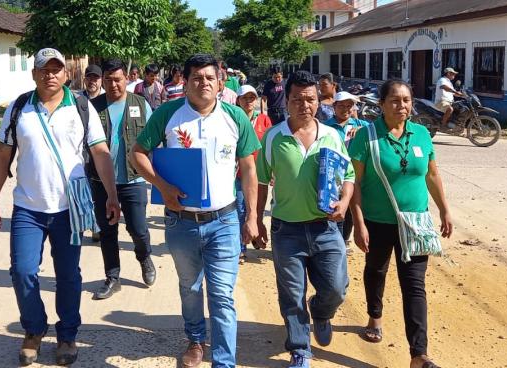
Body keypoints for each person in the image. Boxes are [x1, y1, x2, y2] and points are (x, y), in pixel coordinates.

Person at [0, 48, 121, 366]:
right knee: (22, 270)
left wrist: (112, 194)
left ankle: (67, 335)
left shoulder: (82, 106)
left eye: (57, 69)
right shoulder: (19, 108)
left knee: (68, 275)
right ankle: (34, 329)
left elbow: (100, 153)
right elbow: (3, 154)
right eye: (44, 69)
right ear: (34, 74)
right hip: (28, 207)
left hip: (70, 206)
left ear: (66, 74)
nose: (51, 74)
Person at [130, 53, 261, 368]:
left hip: (225, 220)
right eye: (197, 78)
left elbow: (249, 170)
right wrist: (162, 186)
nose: (204, 83)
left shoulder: (236, 117)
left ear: (220, 83)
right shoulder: (167, 114)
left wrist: (253, 216)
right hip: (181, 222)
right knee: (190, 288)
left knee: (222, 297)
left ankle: (223, 362)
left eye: (210, 78)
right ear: (185, 82)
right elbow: (138, 154)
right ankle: (195, 340)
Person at [348, 79, 453, 368]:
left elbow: (432, 175)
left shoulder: (421, 134)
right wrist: (359, 222)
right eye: (394, 100)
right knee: (376, 270)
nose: (402, 105)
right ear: (381, 104)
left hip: (417, 223)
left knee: (414, 286)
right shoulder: (367, 137)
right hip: (378, 221)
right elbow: (354, 182)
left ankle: (418, 355)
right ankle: (375, 315)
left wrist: (444, 210)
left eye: (406, 100)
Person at [255, 70, 353, 368]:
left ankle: (322, 313)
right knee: (292, 294)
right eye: (297, 99)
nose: (304, 105)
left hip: (326, 227)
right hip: (287, 230)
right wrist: (256, 220)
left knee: (336, 288)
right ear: (286, 100)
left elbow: (348, 175)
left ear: (318, 100)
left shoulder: (332, 136)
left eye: (310, 99)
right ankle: (300, 349)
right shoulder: (274, 137)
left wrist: (345, 202)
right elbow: (261, 182)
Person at [87, 59, 156, 300]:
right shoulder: (91, 107)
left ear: (126, 79)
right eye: (108, 80)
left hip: (133, 180)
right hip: (101, 182)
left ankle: (145, 257)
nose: (113, 84)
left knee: (138, 228)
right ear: (102, 81)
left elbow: (154, 139)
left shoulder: (141, 103)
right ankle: (112, 277)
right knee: (107, 231)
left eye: (118, 79)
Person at [322, 91, 370, 244]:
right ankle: (335, 240)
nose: (346, 109)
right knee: (334, 207)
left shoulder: (362, 126)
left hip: (354, 176)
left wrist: (362, 131)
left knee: (351, 209)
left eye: (350, 106)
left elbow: (379, 128)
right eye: (342, 105)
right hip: (334, 176)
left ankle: (344, 239)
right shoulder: (325, 127)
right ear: (334, 107)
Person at [235, 84, 272, 264]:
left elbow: (270, 147)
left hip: (261, 173)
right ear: (238, 100)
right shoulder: (234, 118)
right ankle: (241, 248)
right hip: (239, 174)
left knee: (258, 209)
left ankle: (256, 236)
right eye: (245, 98)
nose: (249, 101)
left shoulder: (264, 120)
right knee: (242, 210)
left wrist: (272, 170)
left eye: (252, 97)